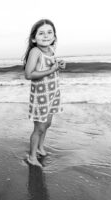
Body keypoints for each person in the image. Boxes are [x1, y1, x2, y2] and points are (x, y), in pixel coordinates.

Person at [23, 19, 65, 167]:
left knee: (47, 124)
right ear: (34, 38)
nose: (46, 36)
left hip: (52, 92)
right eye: (41, 33)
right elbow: (29, 75)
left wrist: (58, 65)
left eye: (49, 32)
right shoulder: (36, 51)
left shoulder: (51, 50)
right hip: (40, 96)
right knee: (39, 127)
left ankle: (40, 147)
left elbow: (51, 67)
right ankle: (32, 156)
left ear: (54, 36)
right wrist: (52, 70)